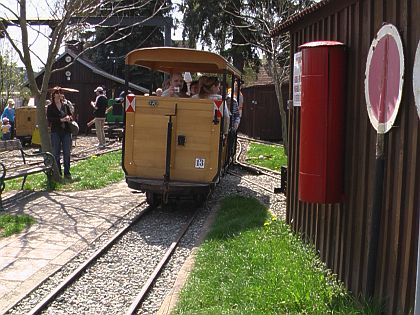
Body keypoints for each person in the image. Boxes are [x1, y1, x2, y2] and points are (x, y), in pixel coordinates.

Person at [46, 88, 73, 179]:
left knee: (67, 153)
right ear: (54, 95)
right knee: (56, 153)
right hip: (56, 132)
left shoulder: (65, 105)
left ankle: (67, 173)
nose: (59, 95)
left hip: (66, 131)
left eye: (60, 93)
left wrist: (69, 118)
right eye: (57, 93)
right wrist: (60, 120)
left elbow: (70, 115)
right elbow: (49, 119)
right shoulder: (50, 107)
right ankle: (58, 173)